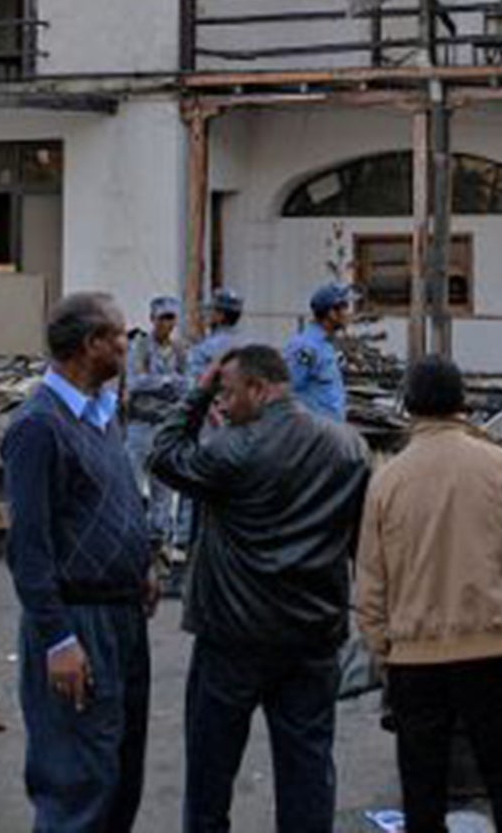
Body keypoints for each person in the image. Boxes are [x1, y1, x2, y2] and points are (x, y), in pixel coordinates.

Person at [150, 343, 370, 833]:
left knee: (211, 772)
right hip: (312, 635)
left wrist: (198, 392)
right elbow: (358, 544)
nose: (223, 405)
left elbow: (162, 455)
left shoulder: (232, 450)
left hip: (233, 635)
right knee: (308, 769)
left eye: (228, 393)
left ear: (259, 388)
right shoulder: (348, 447)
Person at [357, 355, 502, 833]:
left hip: (414, 662)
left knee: (423, 793)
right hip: (494, 652)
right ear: (462, 404)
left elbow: (370, 583)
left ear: (409, 408)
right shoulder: (501, 464)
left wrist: (385, 648)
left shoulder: (387, 479)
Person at [3, 292, 157, 833]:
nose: (125, 345)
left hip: (122, 618)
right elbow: (29, 547)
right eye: (117, 336)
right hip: (77, 623)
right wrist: (57, 639)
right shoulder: (39, 428)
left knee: (119, 777)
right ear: (91, 345)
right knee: (77, 784)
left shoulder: (102, 416)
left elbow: (114, 501)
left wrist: (142, 564)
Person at [125, 295, 187, 544]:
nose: (167, 324)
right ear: (152, 319)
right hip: (141, 424)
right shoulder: (140, 347)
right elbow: (134, 381)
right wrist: (165, 382)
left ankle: (158, 539)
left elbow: (189, 383)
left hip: (165, 426)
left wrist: (163, 383)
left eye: (171, 318)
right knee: (132, 484)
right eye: (162, 318)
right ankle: (130, 535)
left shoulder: (180, 350)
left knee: (164, 489)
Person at [286, 281, 352, 422]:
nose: (348, 313)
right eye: (345, 307)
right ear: (331, 313)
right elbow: (288, 389)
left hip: (331, 434)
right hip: (313, 437)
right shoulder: (306, 347)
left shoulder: (326, 345)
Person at [185, 287, 247, 383]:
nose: (209, 314)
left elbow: (193, 376)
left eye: (213, 310)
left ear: (220, 316)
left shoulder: (207, 347)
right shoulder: (244, 341)